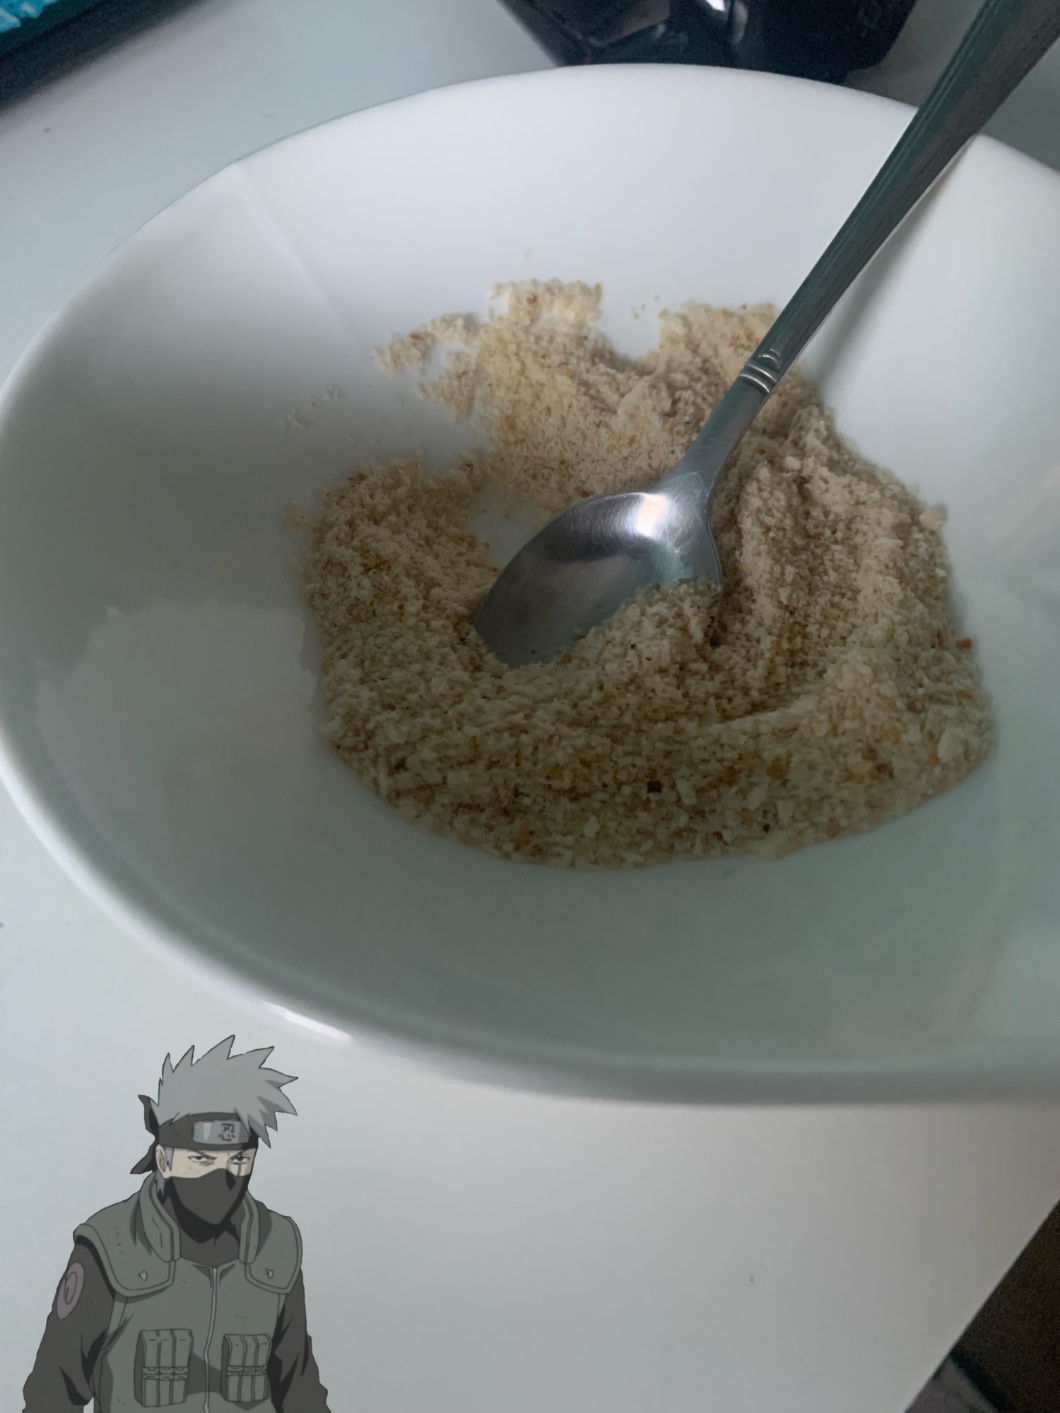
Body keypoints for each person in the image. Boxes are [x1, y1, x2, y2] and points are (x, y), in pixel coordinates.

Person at [23, 1036, 332, 1411]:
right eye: (201, 1160)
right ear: (164, 1160)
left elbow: (299, 1389)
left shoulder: (277, 1245)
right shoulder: (109, 1246)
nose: (224, 1178)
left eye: (239, 1161)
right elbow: (53, 1391)